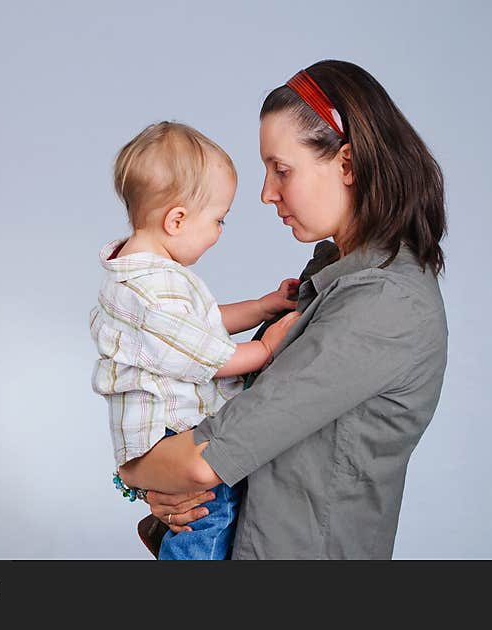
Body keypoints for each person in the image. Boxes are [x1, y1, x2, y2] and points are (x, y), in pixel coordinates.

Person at [118, 60, 449, 559]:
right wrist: (165, 488)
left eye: (282, 169)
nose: (266, 192)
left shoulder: (385, 302)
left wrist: (134, 467)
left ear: (347, 164)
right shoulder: (336, 275)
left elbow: (209, 458)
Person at [90, 121, 301, 559]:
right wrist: (264, 349)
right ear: (178, 219)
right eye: (218, 219)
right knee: (209, 518)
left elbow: (198, 327)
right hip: (171, 428)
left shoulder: (141, 275)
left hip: (158, 433)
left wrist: (261, 307)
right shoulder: (155, 286)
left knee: (202, 520)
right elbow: (203, 353)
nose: (221, 230)